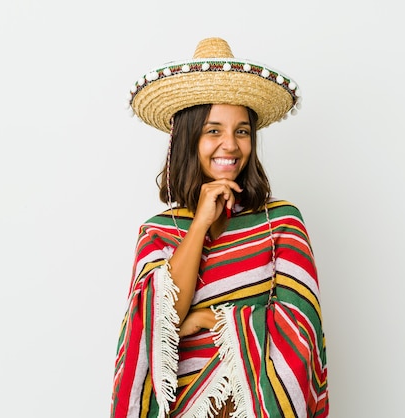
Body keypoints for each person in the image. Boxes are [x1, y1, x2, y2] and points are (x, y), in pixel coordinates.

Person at [110, 37, 328, 418]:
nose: (230, 144)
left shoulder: (280, 222)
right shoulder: (158, 232)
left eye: (241, 131)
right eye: (214, 130)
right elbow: (155, 331)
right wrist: (199, 226)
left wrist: (209, 319)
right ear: (188, 137)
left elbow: (300, 333)